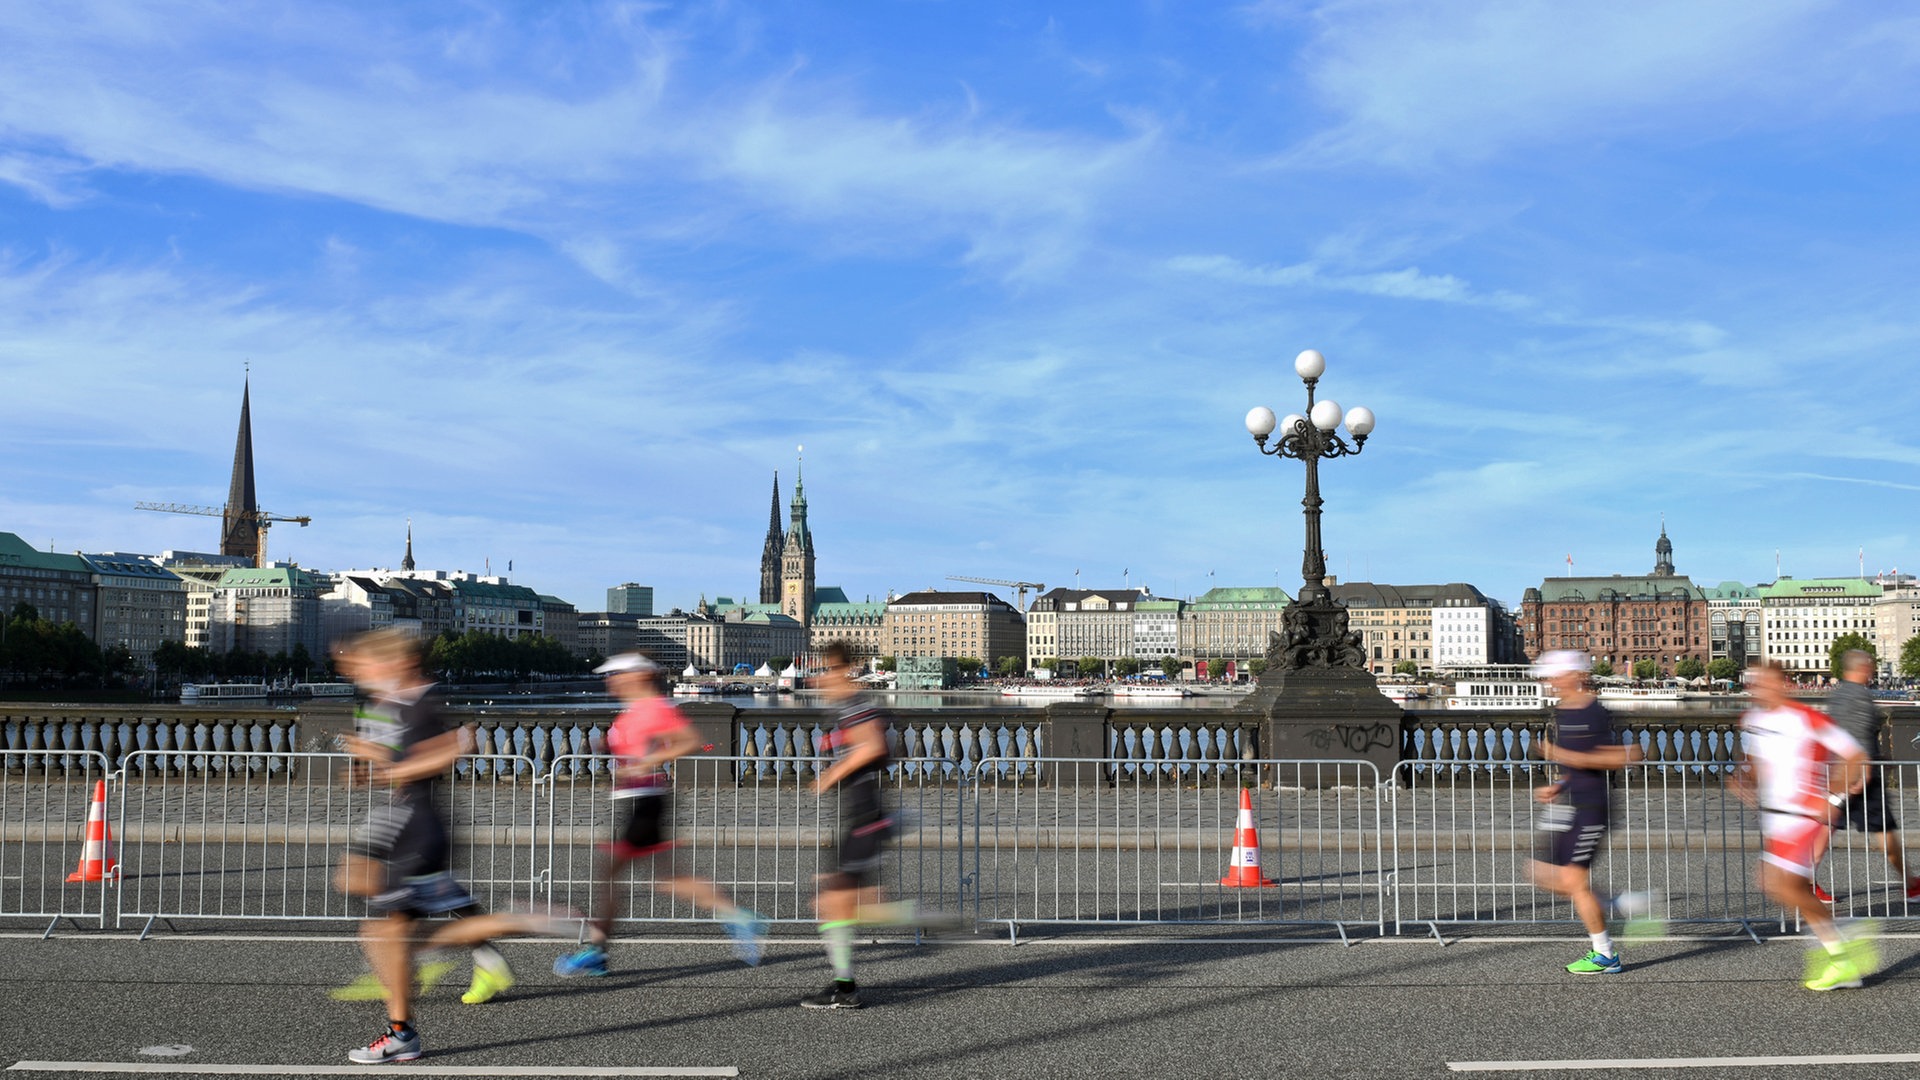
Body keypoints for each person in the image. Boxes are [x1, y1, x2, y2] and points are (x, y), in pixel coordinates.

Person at [335, 629, 547, 1064]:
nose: (357, 673)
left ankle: (511, 923)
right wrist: (371, 760)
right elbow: (405, 757)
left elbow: (453, 747)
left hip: (415, 829)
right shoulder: (392, 705)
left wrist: (389, 767)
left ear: (393, 664)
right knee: (383, 929)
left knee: (388, 935)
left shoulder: (417, 705)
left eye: (364, 666)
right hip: (405, 826)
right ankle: (402, 1029)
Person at [553, 652, 766, 977]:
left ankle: (596, 951)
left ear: (637, 676)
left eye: (617, 675)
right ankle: (737, 917)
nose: (610, 681)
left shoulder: (654, 707)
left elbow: (691, 741)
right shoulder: (637, 709)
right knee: (665, 880)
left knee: (616, 874)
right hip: (638, 800)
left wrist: (646, 764)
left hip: (644, 802)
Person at [801, 640, 959, 1010]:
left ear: (840, 670)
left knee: (837, 904)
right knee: (839, 903)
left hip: (864, 818)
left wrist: (830, 775)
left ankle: (936, 920)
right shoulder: (848, 706)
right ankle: (846, 985)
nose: (818, 679)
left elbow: (872, 747)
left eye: (823, 671)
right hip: (858, 817)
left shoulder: (856, 705)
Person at [1730, 661, 1875, 990]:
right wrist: (1742, 778)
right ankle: (1842, 950)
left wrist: (1832, 797)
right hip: (1776, 816)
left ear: (1783, 685)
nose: (1759, 689)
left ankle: (1844, 950)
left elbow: (1856, 758)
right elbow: (1755, 763)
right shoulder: (1752, 720)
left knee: (1782, 884)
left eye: (1766, 683)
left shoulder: (1807, 718)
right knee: (1778, 885)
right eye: (1755, 683)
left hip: (1803, 815)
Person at [1528, 650, 1645, 975]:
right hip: (1570, 803)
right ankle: (1618, 905)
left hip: (1593, 806)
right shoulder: (1563, 711)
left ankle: (1605, 954)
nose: (1550, 682)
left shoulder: (1593, 712)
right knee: (1541, 874)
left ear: (1574, 676)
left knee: (1574, 882)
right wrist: (1560, 784)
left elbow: (1626, 755)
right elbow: (1576, 762)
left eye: (1555, 675)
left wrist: (1559, 753)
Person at [1808, 649, 1920, 902]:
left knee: (1826, 828)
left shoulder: (1837, 696)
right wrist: (1867, 770)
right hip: (1861, 777)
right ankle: (1911, 885)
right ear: (1863, 668)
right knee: (1885, 830)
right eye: (1870, 667)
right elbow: (1860, 737)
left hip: (1838, 774)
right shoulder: (1861, 696)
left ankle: (1808, 883)